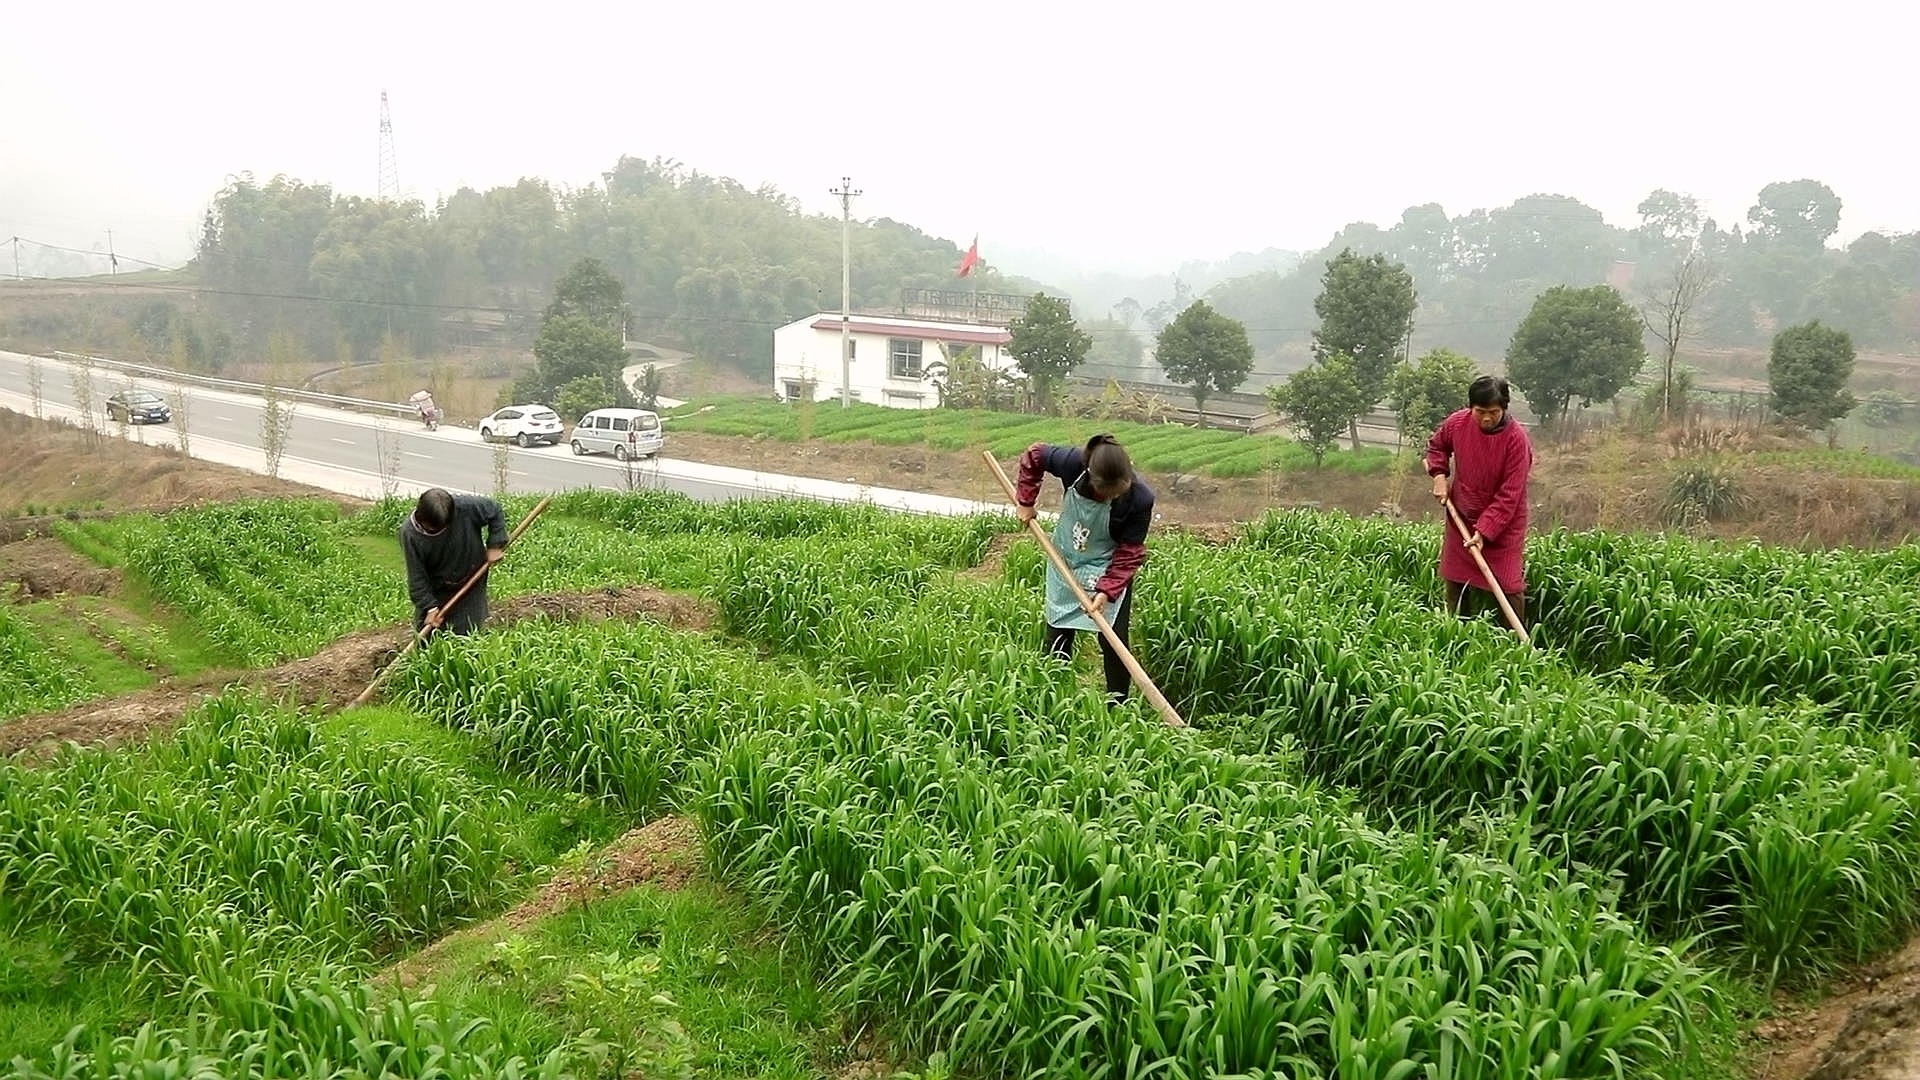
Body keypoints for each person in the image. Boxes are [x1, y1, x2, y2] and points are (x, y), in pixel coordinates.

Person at [1013, 433, 1156, 704]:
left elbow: (1129, 552)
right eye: (1106, 493)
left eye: (1118, 492)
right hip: (1065, 558)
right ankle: (1053, 699)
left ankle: (1118, 706)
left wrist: (1106, 591)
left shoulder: (1140, 498)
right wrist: (1026, 502)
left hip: (1107, 564)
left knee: (1113, 640)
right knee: (1058, 633)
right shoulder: (1073, 464)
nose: (1111, 498)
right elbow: (1036, 454)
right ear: (1092, 478)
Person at [1426, 375, 1534, 624]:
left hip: (1503, 524)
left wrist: (1484, 531)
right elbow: (1437, 447)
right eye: (1480, 411)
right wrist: (1439, 475)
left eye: (1493, 412)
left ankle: (1513, 645)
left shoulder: (1517, 441)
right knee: (1455, 579)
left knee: (1509, 585)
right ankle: (1456, 632)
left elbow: (1510, 494)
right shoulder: (1457, 423)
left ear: (1504, 408)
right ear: (1470, 407)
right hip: (1462, 513)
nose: (1486, 418)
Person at [400, 488, 508, 636]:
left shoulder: (466, 507)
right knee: (428, 634)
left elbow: (494, 510)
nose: (437, 531)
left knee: (468, 630)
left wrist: (495, 544)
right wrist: (429, 607)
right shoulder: (410, 535)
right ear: (420, 517)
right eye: (431, 528)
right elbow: (417, 577)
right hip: (438, 586)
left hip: (472, 576)